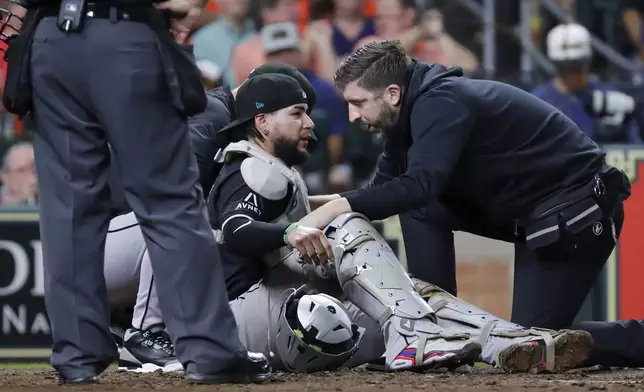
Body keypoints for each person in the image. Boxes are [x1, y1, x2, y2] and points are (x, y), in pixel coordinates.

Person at [102, 72, 595, 375]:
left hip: (253, 308)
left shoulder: (272, 170)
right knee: (349, 231)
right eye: (298, 113)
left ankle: (508, 341)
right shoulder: (252, 164)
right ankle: (426, 336)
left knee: (408, 292)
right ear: (262, 122)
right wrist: (291, 230)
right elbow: (235, 230)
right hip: (239, 313)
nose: (313, 123)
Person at [293, 40, 644, 368]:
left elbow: (418, 186)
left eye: (358, 103)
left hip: (579, 208)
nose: (353, 116)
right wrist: (301, 204)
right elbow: (382, 192)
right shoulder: (408, 114)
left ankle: (637, 339)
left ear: (393, 93)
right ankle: (435, 328)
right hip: (539, 212)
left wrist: (333, 207)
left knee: (529, 347)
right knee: (415, 202)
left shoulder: (442, 102)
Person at [12, 0, 269, 385]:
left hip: (51, 39)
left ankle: (77, 355)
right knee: (169, 203)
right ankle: (209, 350)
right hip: (124, 33)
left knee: (68, 209)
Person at [532, 23, 643, 144]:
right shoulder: (537, 102)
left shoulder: (611, 98)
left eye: (577, 66)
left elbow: (635, 148)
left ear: (588, 60)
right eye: (564, 67)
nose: (571, 74)